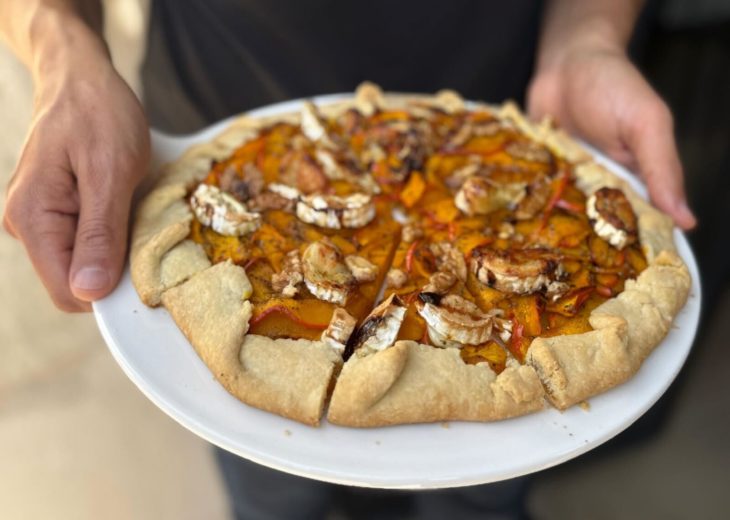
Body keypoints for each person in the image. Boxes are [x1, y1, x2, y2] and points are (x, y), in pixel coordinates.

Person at [0, 1, 697, 518]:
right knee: (269, 488)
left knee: (482, 497)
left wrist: (587, 36)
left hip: (508, 105)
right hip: (214, 118)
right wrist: (59, 46)